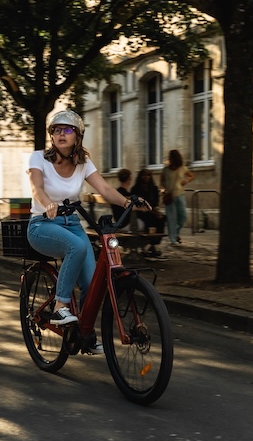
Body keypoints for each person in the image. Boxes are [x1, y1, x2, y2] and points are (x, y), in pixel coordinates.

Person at [27, 110, 150, 333]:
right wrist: (48, 204)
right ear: (51, 135)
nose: (61, 133)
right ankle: (60, 306)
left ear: (78, 135)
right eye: (56, 130)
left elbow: (104, 189)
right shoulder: (38, 158)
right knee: (77, 246)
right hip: (42, 224)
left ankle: (85, 334)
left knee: (93, 283)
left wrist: (128, 203)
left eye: (67, 129)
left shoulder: (83, 163)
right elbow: (37, 188)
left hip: (72, 224)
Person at [160, 149, 195, 246]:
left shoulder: (182, 168)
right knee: (171, 218)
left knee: (183, 216)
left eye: (171, 157)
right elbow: (162, 182)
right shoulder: (166, 170)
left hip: (180, 194)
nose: (170, 159)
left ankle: (175, 233)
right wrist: (163, 190)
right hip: (169, 195)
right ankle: (172, 239)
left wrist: (186, 181)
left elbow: (191, 176)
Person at [130, 168, 166, 259]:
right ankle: (146, 243)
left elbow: (155, 203)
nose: (146, 177)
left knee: (162, 218)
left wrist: (156, 212)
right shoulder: (135, 189)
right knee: (149, 219)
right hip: (140, 212)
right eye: (144, 175)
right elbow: (137, 204)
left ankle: (155, 243)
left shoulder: (153, 188)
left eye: (148, 175)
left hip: (152, 210)